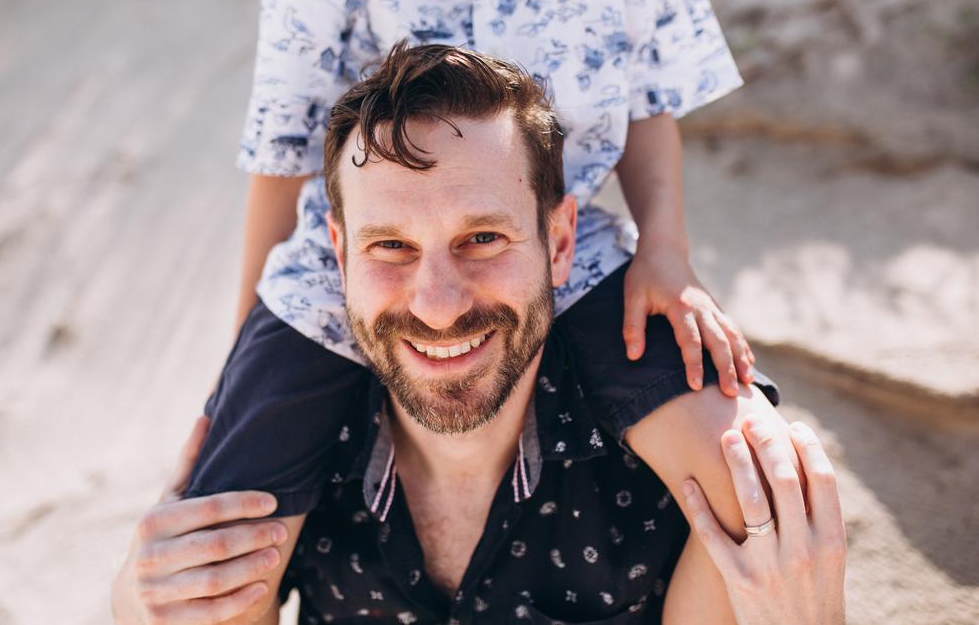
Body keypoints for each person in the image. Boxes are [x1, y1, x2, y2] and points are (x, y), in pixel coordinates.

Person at [112, 45, 846, 624]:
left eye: (484, 238)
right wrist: (133, 602)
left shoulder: (664, 472)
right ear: (336, 253)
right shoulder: (297, 446)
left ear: (562, 243)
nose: (436, 305)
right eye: (390, 247)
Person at [185, 0, 774, 533]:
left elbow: (648, 98)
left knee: (753, 480)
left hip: (545, 239)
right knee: (218, 530)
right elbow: (283, 149)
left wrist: (665, 249)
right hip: (361, 255)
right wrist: (241, 360)